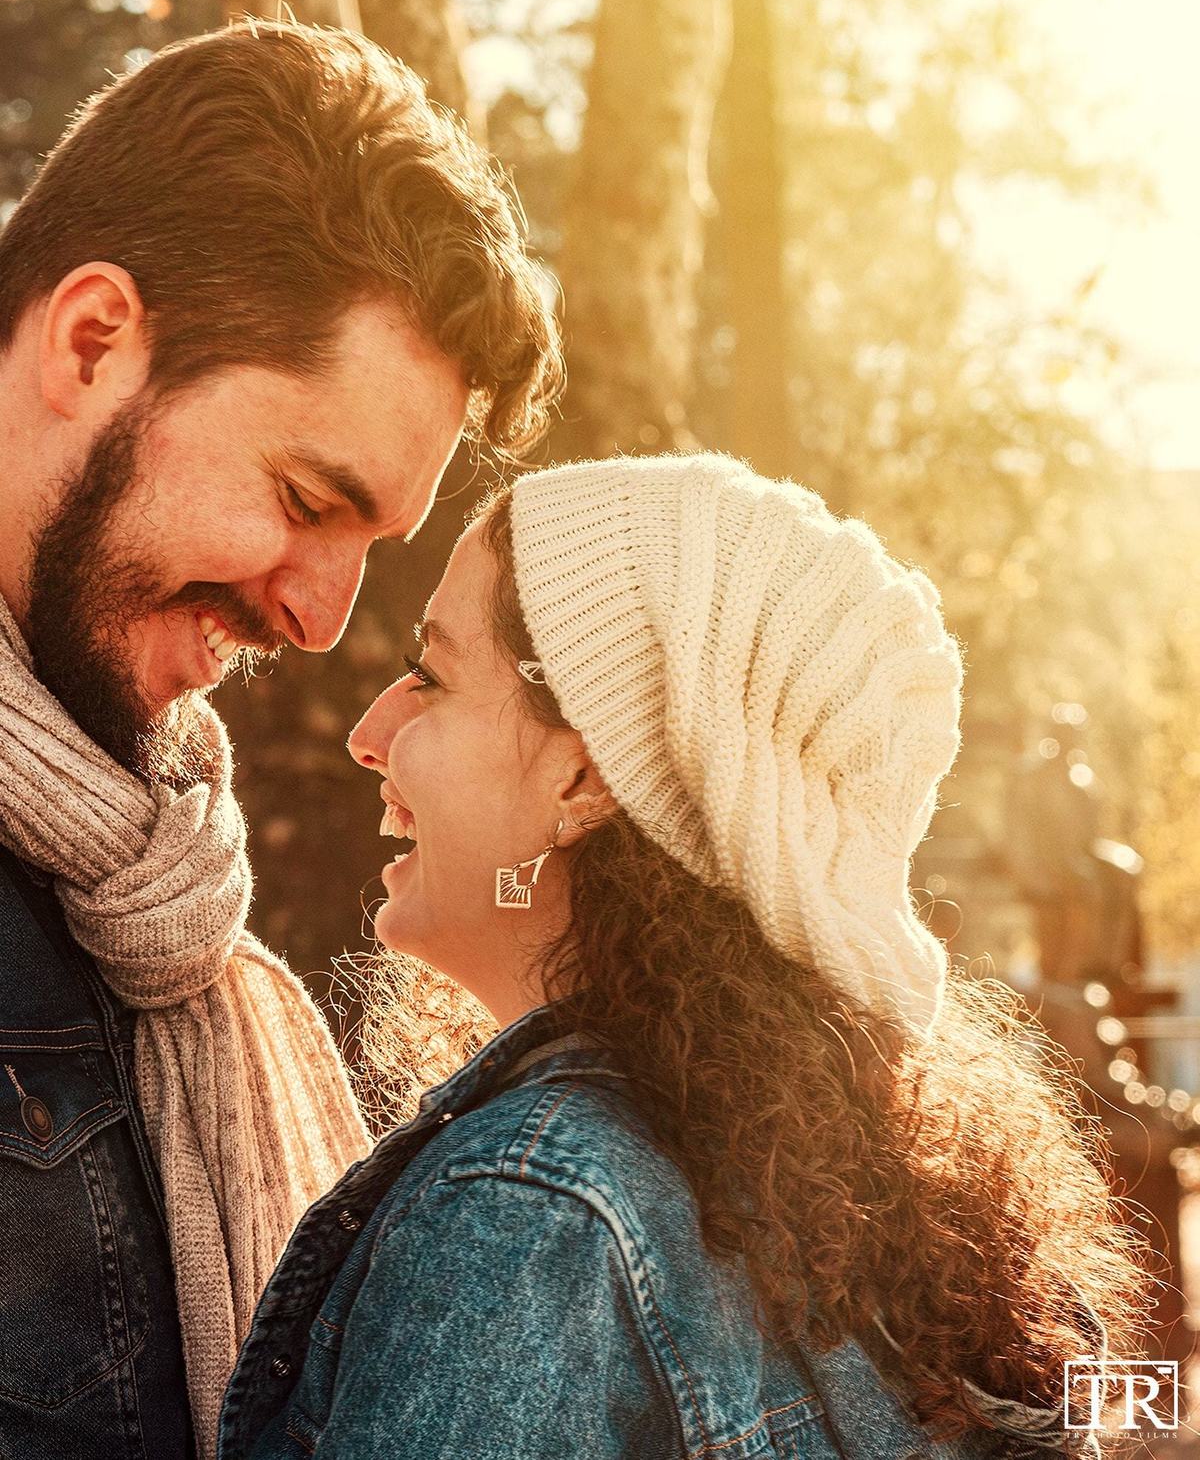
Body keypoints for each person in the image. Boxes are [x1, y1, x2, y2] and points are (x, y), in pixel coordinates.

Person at [219, 452, 1151, 1460]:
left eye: (432, 675)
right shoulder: (848, 1198)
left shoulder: (529, 1214)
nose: (369, 734)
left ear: (581, 778)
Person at [0, 20, 561, 1460]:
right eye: (310, 500)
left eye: (369, 544)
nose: (321, 621)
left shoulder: (152, 882)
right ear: (91, 340)